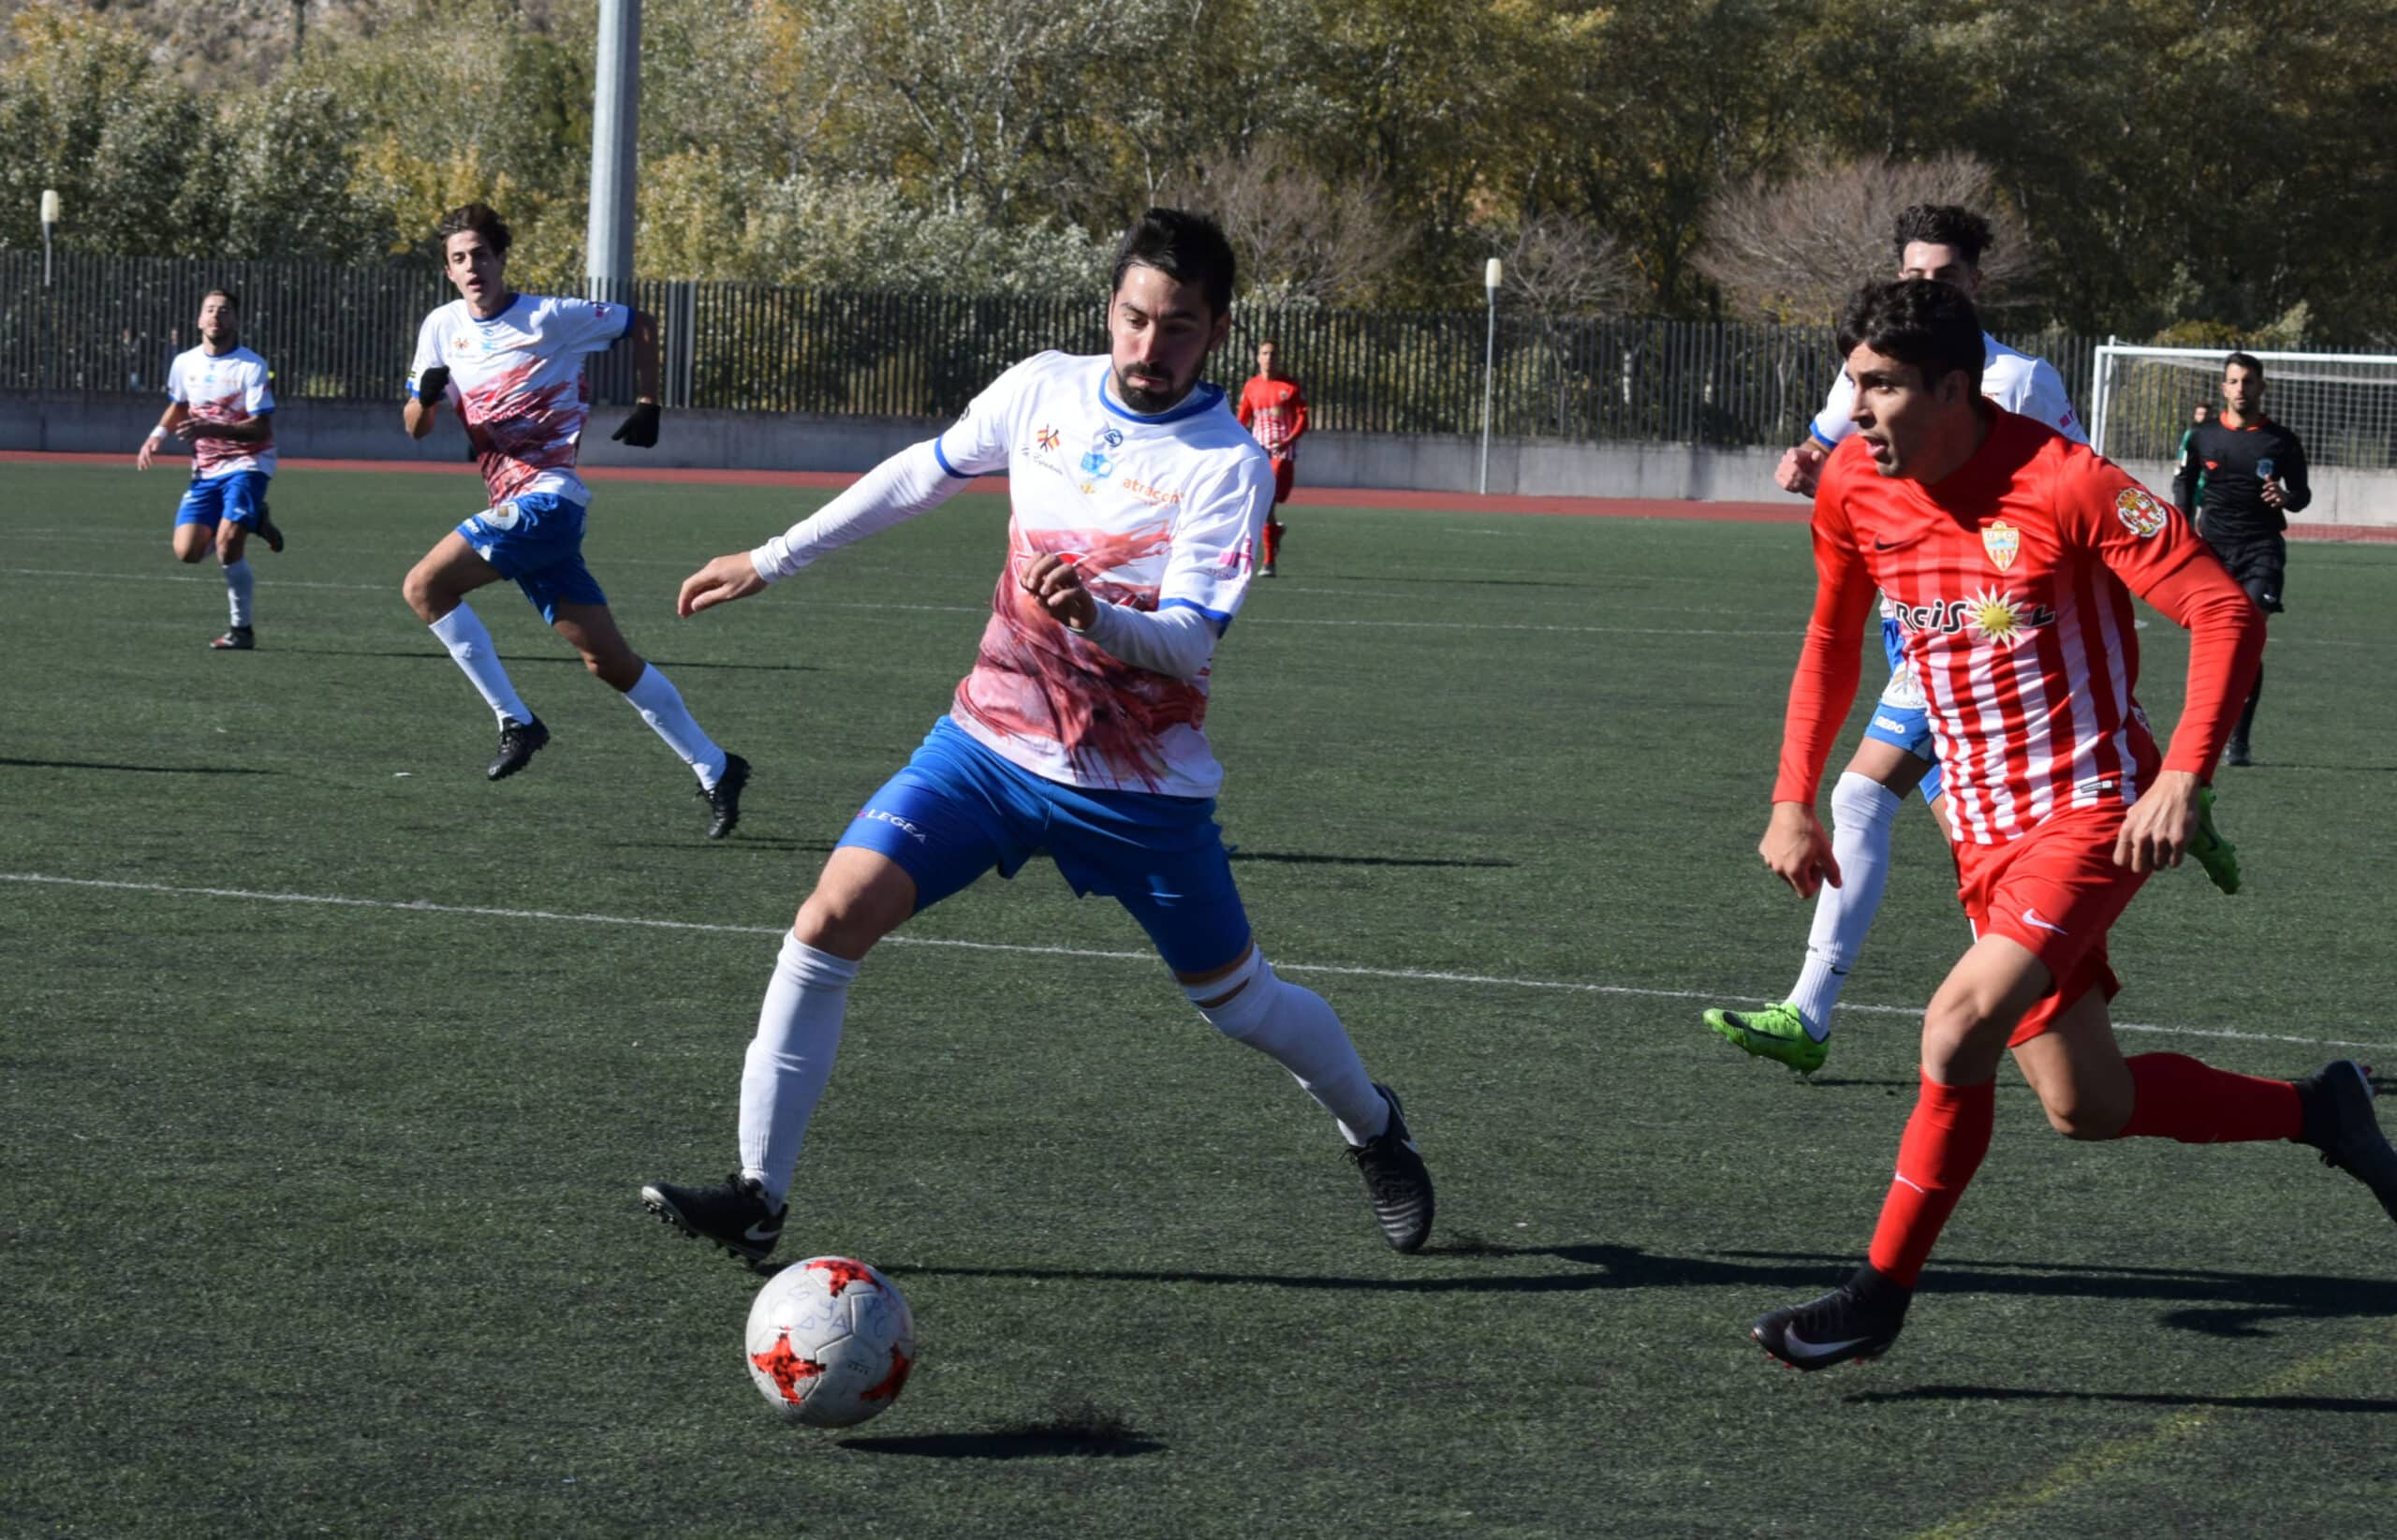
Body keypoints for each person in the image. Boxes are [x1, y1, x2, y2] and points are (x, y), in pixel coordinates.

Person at [640, 209, 1433, 1266]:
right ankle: (759, 1194)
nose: (1150, 349)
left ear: (1219, 331)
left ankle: (1373, 1126)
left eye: (1179, 329)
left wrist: (1093, 616)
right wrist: (773, 555)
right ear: (1110, 306)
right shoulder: (1042, 388)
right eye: (1135, 319)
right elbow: (922, 471)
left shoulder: (1224, 463)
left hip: (1137, 791)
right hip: (985, 748)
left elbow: (1190, 647)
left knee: (1240, 1003)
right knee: (826, 921)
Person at [1745, 279, 2397, 1371]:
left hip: (2094, 809)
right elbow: (1830, 638)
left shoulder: (2065, 482)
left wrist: (2185, 776)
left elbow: (2221, 609)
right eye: (1852, 382)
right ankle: (2318, 1111)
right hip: (1981, 829)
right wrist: (1791, 796)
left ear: (1953, 387)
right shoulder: (1856, 482)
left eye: (1881, 385)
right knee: (2085, 1103)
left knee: (1954, 1028)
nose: (1854, 409)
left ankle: (1876, 1296)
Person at [1702, 203, 2236, 1077]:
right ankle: (2037, 934)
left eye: (1942, 276)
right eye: (1912, 273)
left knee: (1865, 804)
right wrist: (1809, 457)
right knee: (2081, 1093)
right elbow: (1843, 469)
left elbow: (2068, 506)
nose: (1924, 287)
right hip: (1917, 627)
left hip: (1992, 632)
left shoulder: (2021, 382)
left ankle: (1818, 1004)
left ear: (1975, 286)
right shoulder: (1871, 368)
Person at [400, 202, 749, 837]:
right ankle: (716, 766)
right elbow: (415, 425)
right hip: (517, 507)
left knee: (425, 586)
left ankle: (517, 722)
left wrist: (649, 402)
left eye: (481, 253)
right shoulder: (440, 327)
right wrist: (424, 396)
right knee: (607, 660)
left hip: (547, 498)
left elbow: (640, 323)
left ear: (502, 257)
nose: (471, 266)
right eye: (458, 258)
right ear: (448, 271)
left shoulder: (549, 317)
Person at [2171, 352, 2309, 767]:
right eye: (2233, 381)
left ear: (2261, 386)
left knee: (2246, 638)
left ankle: (2239, 740)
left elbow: (2302, 495)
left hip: (2261, 549)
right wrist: (2181, 522)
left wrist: (2285, 497)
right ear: (2223, 388)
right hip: (2212, 551)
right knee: (2217, 644)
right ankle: (2206, 731)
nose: (2241, 389)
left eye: (2248, 381)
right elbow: (2184, 479)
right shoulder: (2202, 436)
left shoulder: (2281, 441)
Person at [137, 289, 286, 651]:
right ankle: (253, 521)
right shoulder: (185, 363)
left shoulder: (251, 366)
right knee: (187, 552)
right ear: (199, 320)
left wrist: (209, 428)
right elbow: (178, 405)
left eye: (225, 310)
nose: (217, 315)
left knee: (226, 543)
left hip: (248, 463)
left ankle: (242, 630)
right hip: (205, 469)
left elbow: (261, 429)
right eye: (210, 309)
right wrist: (156, 435)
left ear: (235, 321)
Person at [1234, 339, 1307, 576]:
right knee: (1264, 500)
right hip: (1260, 450)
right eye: (1265, 353)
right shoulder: (1251, 387)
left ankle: (1273, 532)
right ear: (1258, 357)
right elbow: (1242, 419)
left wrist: (1288, 441)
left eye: (1273, 354)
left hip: (1283, 451)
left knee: (1276, 498)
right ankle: (1268, 562)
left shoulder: (1289, 386)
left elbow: (1303, 419)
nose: (1269, 358)